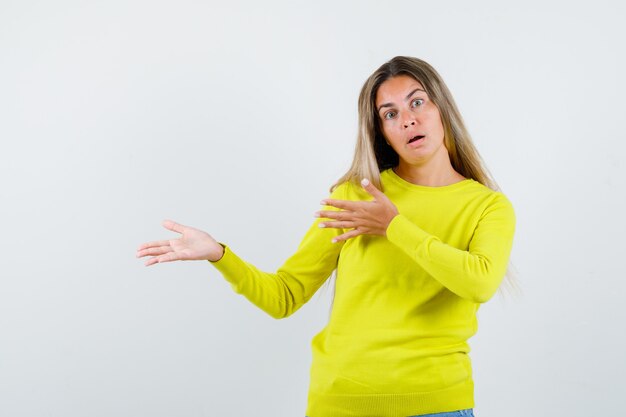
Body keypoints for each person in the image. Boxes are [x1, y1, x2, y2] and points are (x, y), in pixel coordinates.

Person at [136, 56, 516, 417]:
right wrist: (220, 254)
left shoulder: (487, 207)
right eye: (390, 114)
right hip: (341, 401)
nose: (407, 120)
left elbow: (479, 282)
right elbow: (283, 296)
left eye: (417, 102)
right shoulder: (355, 196)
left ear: (442, 109)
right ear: (381, 132)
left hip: (437, 403)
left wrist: (393, 226)